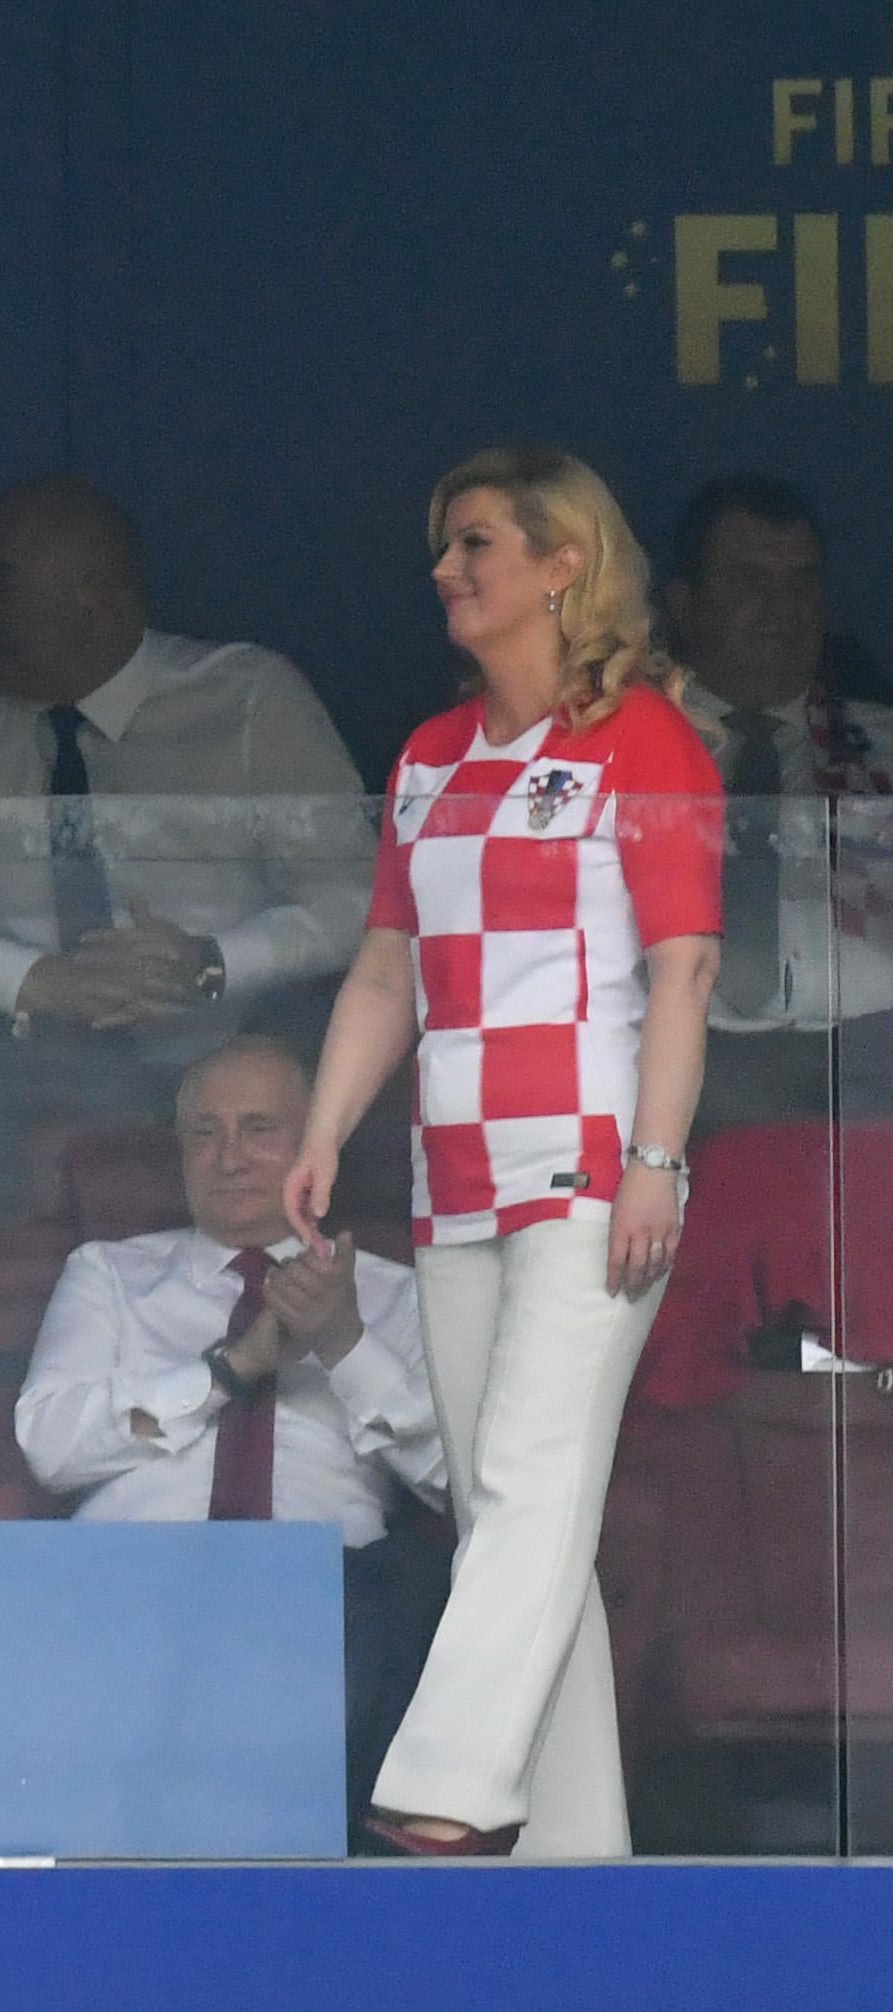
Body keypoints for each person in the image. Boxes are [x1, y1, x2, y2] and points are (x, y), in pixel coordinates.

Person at [283, 447, 722, 1858]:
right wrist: (324, 1125)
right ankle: (577, 1857)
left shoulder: (644, 738)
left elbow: (688, 967)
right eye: (441, 547)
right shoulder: (424, 755)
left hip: (591, 1163)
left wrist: (657, 1157)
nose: (446, 572)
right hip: (452, 1176)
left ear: (563, 563)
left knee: (533, 1484)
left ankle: (449, 1791)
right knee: (507, 1512)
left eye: (474, 543)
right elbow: (380, 971)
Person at [0, 475, 371, 1275]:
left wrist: (211, 963)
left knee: (313, 1048)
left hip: (220, 1039)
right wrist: (34, 981)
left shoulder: (249, 698)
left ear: (89, 595)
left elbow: (363, 903)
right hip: (22, 1057)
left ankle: (291, 1329)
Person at [17, 1034, 448, 1813]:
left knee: (406, 1591)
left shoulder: (392, 1293)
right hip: (129, 1576)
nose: (228, 1157)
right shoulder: (109, 1273)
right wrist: (227, 1369)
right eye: (204, 1134)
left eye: (259, 1130)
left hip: (328, 1591)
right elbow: (48, 1446)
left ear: (314, 1145)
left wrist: (343, 1342)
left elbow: (454, 1482)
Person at [660, 475, 893, 1126]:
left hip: (861, 1078)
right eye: (746, 584)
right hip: (655, 1069)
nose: (780, 608)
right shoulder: (617, 751)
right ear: (683, 605)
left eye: (800, 585)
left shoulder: (882, 748)